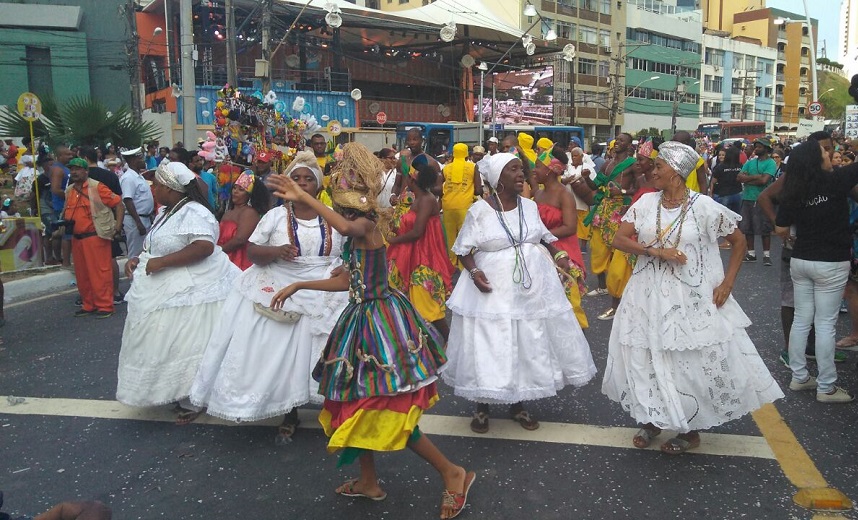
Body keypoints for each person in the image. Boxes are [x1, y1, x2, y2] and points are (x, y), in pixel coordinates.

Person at [266, 143, 475, 520]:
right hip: (361, 321)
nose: (343, 210)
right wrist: (300, 286)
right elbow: (349, 281)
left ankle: (452, 471)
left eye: (344, 202)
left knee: (381, 408)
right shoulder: (356, 234)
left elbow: (345, 226)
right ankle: (368, 482)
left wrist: (302, 197)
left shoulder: (364, 228)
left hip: (379, 325)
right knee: (353, 405)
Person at [603, 141, 783, 454]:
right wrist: (654, 251)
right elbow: (617, 238)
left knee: (688, 359)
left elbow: (739, 242)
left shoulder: (705, 207)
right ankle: (651, 419)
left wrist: (727, 283)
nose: (652, 170)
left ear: (677, 173)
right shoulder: (645, 203)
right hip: (645, 296)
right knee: (646, 353)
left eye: (659, 166)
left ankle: (692, 428)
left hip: (691, 297)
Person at [189, 151, 348, 438]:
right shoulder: (275, 217)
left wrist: (345, 268)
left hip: (325, 289)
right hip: (279, 287)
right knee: (281, 354)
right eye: (295, 178)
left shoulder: (333, 217)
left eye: (308, 180)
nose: (301, 183)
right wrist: (276, 252)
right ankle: (289, 411)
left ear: (319, 186)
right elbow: (252, 251)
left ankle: (334, 410)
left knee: (327, 353)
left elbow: (351, 249)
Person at [443, 152, 596, 434]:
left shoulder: (529, 206)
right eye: (512, 170)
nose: (520, 174)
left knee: (525, 340)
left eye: (521, 169)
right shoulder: (480, 211)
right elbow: (463, 250)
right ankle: (482, 406)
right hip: (491, 286)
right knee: (490, 343)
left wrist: (560, 255)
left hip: (530, 285)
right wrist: (475, 274)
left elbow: (544, 237)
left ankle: (518, 404)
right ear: (497, 178)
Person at [117, 161, 239, 422]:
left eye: (157, 184)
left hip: (193, 287)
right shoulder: (166, 212)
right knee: (165, 342)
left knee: (188, 342)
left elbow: (203, 247)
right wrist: (139, 258)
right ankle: (173, 390)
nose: (153, 188)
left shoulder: (194, 212)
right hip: (163, 284)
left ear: (171, 189)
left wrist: (161, 263)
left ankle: (195, 397)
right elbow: (159, 243)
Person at [775, 139, 858, 403]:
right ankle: (827, 387)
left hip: (801, 261)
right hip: (831, 262)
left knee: (802, 319)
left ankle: (799, 377)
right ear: (815, 159)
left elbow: (781, 226)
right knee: (825, 323)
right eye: (824, 151)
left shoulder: (793, 189)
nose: (829, 154)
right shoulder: (836, 180)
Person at [387, 161, 456, 340]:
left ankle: (450, 341)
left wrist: (393, 239)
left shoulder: (426, 199)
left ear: (411, 178)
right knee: (411, 301)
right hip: (412, 254)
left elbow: (417, 232)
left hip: (424, 256)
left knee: (427, 304)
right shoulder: (415, 198)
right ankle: (420, 344)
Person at [582, 133, 637, 320]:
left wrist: (621, 191)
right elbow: (594, 186)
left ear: (629, 145)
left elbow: (638, 189)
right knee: (597, 249)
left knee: (619, 256)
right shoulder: (607, 164)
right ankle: (602, 287)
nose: (617, 143)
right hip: (604, 209)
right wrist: (586, 177)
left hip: (621, 210)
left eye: (622, 140)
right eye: (617, 140)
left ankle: (619, 299)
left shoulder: (632, 164)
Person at [533, 148, 588, 329]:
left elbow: (570, 227)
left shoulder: (565, 194)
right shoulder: (539, 194)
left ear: (550, 170)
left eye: (538, 167)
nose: (534, 171)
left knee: (568, 302)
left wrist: (542, 236)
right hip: (542, 250)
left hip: (563, 252)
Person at [63, 158, 123, 318]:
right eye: (72, 169)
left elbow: (118, 203)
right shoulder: (69, 190)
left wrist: (117, 226)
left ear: (86, 171)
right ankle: (88, 304)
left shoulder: (97, 187)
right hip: (77, 238)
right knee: (82, 274)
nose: (74, 172)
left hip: (95, 237)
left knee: (100, 273)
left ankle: (105, 306)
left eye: (77, 169)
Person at [440, 143, 482, 268]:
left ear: (453, 154)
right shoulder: (473, 167)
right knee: (465, 238)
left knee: (450, 238)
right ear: (467, 155)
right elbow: (478, 190)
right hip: (465, 207)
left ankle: (452, 265)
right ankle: (464, 267)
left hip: (447, 207)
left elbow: (438, 186)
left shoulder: (446, 168)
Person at [218, 170, 270, 270]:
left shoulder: (249, 213)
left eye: (241, 189)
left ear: (249, 195)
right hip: (222, 259)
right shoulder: (228, 212)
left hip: (237, 263)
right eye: (234, 188)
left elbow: (240, 240)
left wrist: (217, 252)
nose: (235, 191)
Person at [737, 137, 777, 265]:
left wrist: (748, 178)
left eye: (759, 147)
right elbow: (739, 177)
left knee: (765, 228)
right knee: (747, 228)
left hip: (763, 200)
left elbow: (764, 181)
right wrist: (757, 177)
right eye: (756, 146)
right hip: (747, 198)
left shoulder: (771, 163)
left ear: (766, 148)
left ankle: (766, 255)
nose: (756, 149)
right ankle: (751, 253)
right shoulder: (750, 162)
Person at [119, 148, 155, 259]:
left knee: (144, 253)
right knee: (136, 253)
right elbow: (128, 200)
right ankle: (132, 275)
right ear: (133, 160)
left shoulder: (138, 176)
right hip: (135, 220)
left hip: (144, 218)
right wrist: (138, 223)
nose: (143, 161)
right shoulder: (128, 178)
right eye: (140, 158)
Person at [49, 146, 73, 266]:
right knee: (63, 233)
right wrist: (70, 198)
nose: (71, 156)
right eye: (67, 154)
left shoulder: (64, 168)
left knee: (65, 233)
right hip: (61, 205)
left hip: (65, 204)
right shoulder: (58, 169)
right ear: (60, 156)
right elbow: (55, 189)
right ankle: (62, 259)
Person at [708, 145, 743, 214]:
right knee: (737, 216)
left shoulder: (720, 167)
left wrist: (711, 194)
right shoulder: (740, 166)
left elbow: (713, 181)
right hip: (738, 193)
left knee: (725, 217)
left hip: (724, 194)